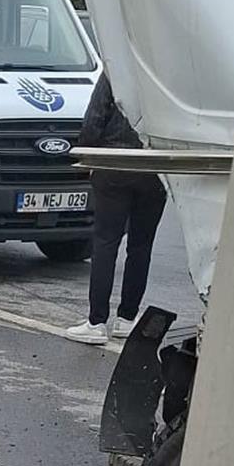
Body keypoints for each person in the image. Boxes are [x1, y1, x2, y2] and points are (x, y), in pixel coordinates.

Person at [64, 75, 167, 345]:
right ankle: (127, 319)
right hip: (155, 167)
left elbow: (95, 116)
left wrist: (87, 156)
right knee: (141, 246)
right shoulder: (167, 68)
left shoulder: (115, 65)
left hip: (113, 162)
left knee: (106, 243)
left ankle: (96, 322)